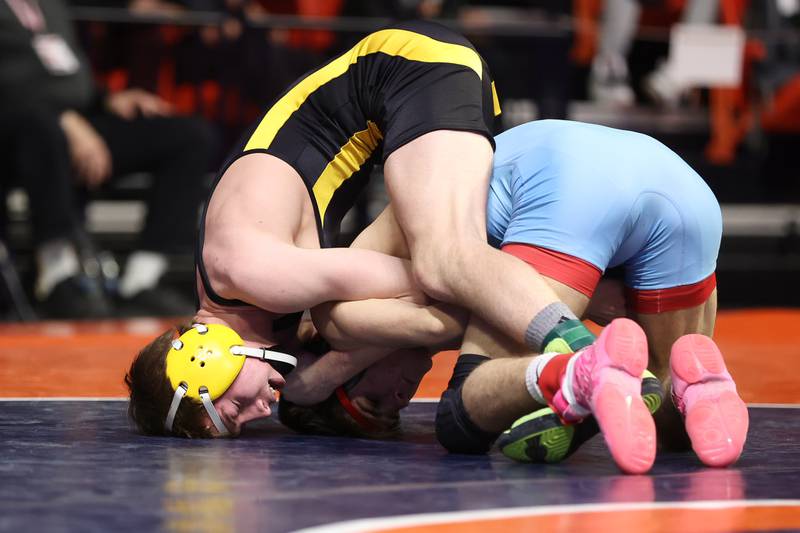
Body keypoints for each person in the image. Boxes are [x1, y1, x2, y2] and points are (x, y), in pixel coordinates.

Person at [281, 120, 748, 474]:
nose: (400, 400)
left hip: (568, 187)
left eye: (374, 403)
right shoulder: (387, 298)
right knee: (667, 418)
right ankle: (699, 385)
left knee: (458, 417)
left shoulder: (345, 303)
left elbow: (329, 326)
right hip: (680, 185)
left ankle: (578, 370)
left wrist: (311, 382)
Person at [0, 0, 216, 318]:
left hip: (81, 118)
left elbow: (62, 70)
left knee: (190, 136)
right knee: (42, 127)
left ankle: (142, 280)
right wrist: (63, 117)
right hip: (16, 124)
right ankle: (58, 273)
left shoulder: (49, 5)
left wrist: (109, 99)